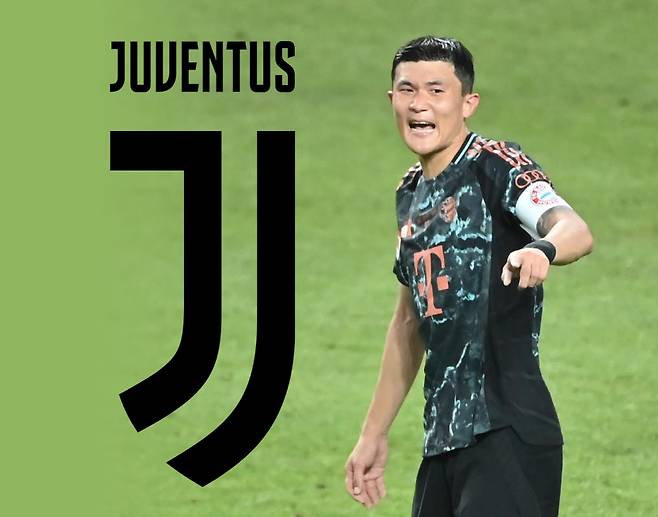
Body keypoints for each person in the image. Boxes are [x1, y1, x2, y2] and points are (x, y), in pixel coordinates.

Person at [344, 36, 593, 517]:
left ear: (467, 103)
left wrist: (542, 249)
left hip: (508, 434)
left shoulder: (496, 167)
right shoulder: (410, 194)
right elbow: (408, 323)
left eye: (437, 90)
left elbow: (574, 229)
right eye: (407, 89)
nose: (419, 103)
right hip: (443, 445)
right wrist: (373, 434)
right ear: (392, 99)